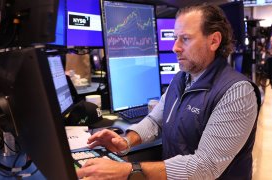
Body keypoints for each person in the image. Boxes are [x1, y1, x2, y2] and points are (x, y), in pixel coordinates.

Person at [76, 3, 261, 180]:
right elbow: (155, 121)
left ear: (214, 41)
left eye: (185, 39)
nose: (175, 47)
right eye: (175, 38)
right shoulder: (181, 78)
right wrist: (126, 141)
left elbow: (206, 166)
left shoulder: (237, 92)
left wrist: (128, 171)